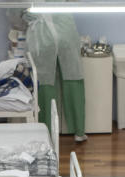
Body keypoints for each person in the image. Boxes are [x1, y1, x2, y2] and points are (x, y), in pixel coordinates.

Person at [18, 11, 87, 142]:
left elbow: (15, 11)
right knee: (73, 77)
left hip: (41, 35)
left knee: (44, 82)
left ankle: (46, 131)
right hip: (65, 29)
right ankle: (79, 131)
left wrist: (22, 20)